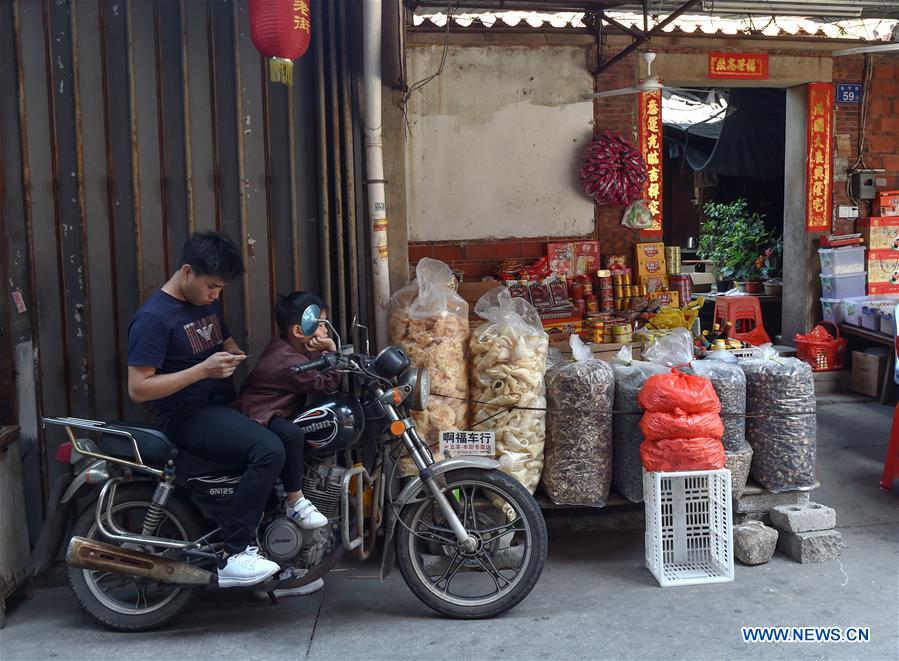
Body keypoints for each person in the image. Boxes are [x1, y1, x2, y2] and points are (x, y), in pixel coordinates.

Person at [127, 231, 282, 588]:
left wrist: (232, 352)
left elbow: (220, 339)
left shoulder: (205, 303)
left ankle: (286, 553)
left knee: (288, 434)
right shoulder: (154, 318)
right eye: (211, 286)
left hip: (222, 405)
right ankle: (234, 553)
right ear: (186, 272)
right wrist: (203, 370)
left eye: (220, 289)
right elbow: (138, 388)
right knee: (268, 450)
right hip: (187, 415)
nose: (216, 296)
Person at [232, 291, 341, 599]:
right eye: (320, 324)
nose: (324, 331)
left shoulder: (293, 352)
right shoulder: (288, 361)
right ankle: (295, 502)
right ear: (299, 330)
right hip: (260, 419)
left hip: (271, 414)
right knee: (293, 436)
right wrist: (331, 352)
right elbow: (326, 383)